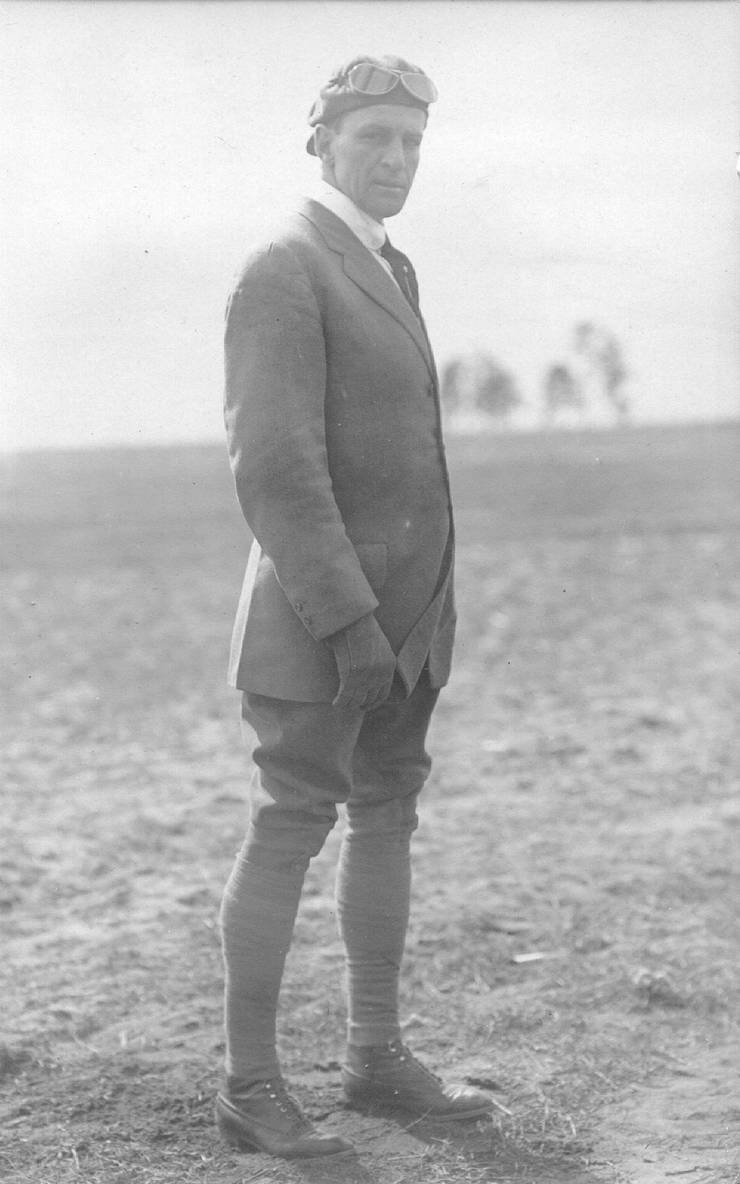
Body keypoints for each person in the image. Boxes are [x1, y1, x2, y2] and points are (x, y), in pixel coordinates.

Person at [217, 54, 493, 1160]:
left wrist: (411, 615)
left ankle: (373, 1056)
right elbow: (275, 467)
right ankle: (248, 1084)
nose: (394, 161)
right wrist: (347, 621)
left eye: (410, 143)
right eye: (373, 138)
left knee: (388, 811)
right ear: (321, 142)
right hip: (321, 619)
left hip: (406, 618)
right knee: (289, 821)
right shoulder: (282, 265)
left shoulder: (391, 265)